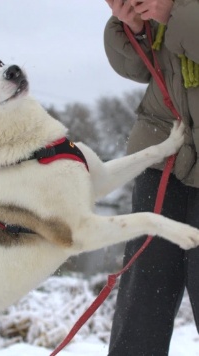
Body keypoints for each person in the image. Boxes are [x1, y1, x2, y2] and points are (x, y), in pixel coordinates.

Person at [103, 0, 199, 355]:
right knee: (143, 298)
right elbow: (139, 69)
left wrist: (174, 13)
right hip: (163, 152)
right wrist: (134, 27)